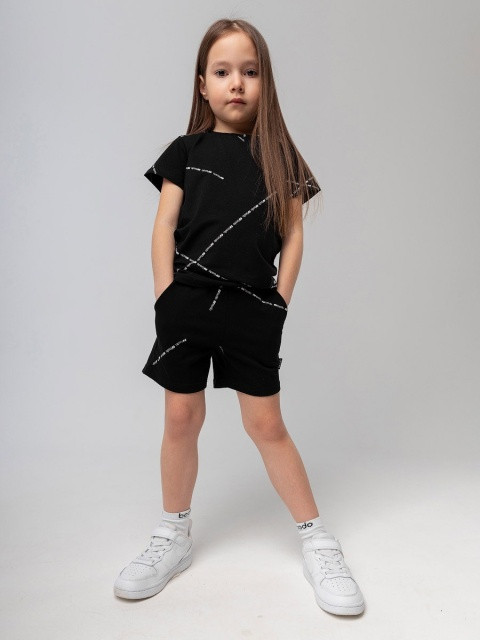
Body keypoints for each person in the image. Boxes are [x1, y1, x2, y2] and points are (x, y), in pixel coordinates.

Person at [113, 18, 365, 616]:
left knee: (266, 424)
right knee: (181, 416)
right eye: (223, 72)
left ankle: (317, 540)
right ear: (202, 84)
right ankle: (173, 533)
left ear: (264, 82)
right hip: (187, 304)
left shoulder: (280, 157)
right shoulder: (185, 151)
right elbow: (164, 225)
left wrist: (279, 300)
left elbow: (294, 236)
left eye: (249, 72)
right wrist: (164, 296)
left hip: (253, 307)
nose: (236, 83)